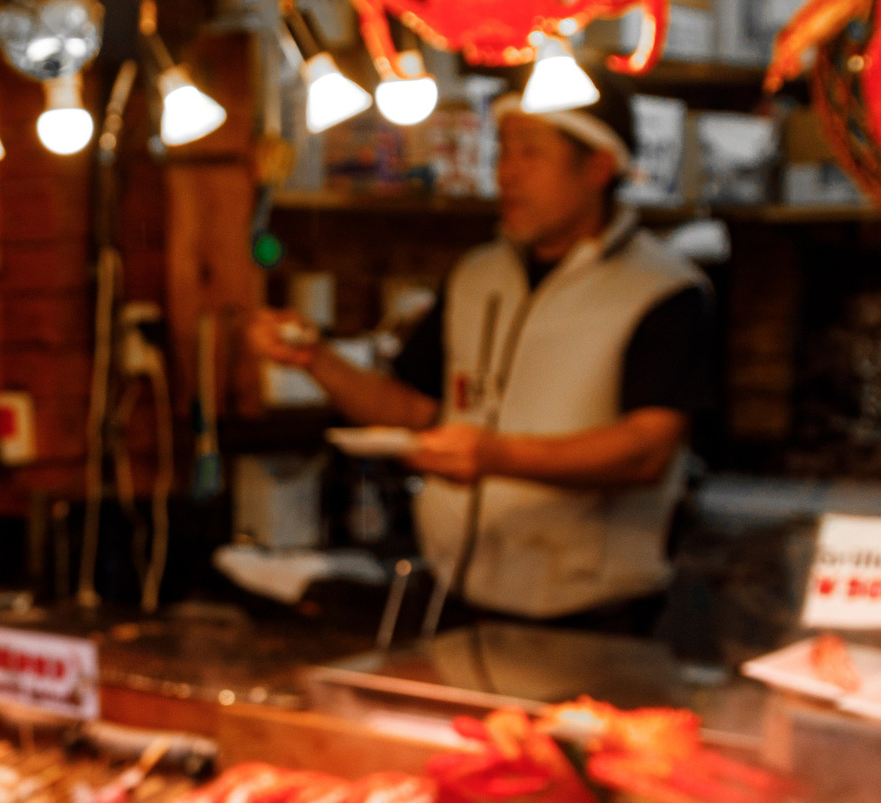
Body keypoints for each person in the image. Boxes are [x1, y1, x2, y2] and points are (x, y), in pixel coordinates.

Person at [249, 83, 714, 632]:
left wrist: (495, 456)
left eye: (530, 153)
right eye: (504, 151)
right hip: (460, 596)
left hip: (597, 616)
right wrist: (315, 360)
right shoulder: (477, 274)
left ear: (598, 167)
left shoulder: (663, 290)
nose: (506, 174)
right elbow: (415, 410)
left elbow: (645, 453)